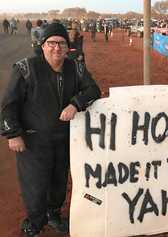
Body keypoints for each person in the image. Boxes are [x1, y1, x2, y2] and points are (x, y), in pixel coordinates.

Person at [0, 22, 101, 237]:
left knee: (58, 181)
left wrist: (76, 103)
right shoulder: (26, 68)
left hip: (64, 139)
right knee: (36, 185)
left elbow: (93, 89)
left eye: (62, 43)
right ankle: (34, 223)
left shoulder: (76, 67)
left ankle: (53, 214)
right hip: (33, 141)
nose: (57, 48)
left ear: (68, 47)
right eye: (52, 43)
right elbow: (10, 104)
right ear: (43, 45)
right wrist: (13, 133)